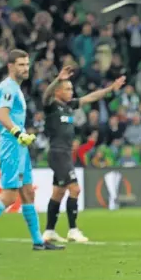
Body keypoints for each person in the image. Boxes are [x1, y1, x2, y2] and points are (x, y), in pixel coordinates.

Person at [41, 66, 126, 243]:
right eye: (67, 89)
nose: (71, 92)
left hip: (64, 154)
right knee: (75, 189)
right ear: (58, 91)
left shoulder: (68, 106)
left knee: (58, 192)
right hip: (58, 154)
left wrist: (110, 89)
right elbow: (46, 94)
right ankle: (73, 230)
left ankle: (49, 231)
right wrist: (58, 78)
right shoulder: (51, 105)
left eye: (72, 89)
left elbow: (90, 97)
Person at [0, 49, 64, 250]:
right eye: (21, 65)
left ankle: (38, 242)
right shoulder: (8, 89)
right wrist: (17, 134)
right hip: (13, 145)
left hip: (17, 146)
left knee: (27, 193)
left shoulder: (14, 88)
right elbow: (4, 116)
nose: (26, 68)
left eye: (27, 64)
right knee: (9, 197)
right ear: (10, 66)